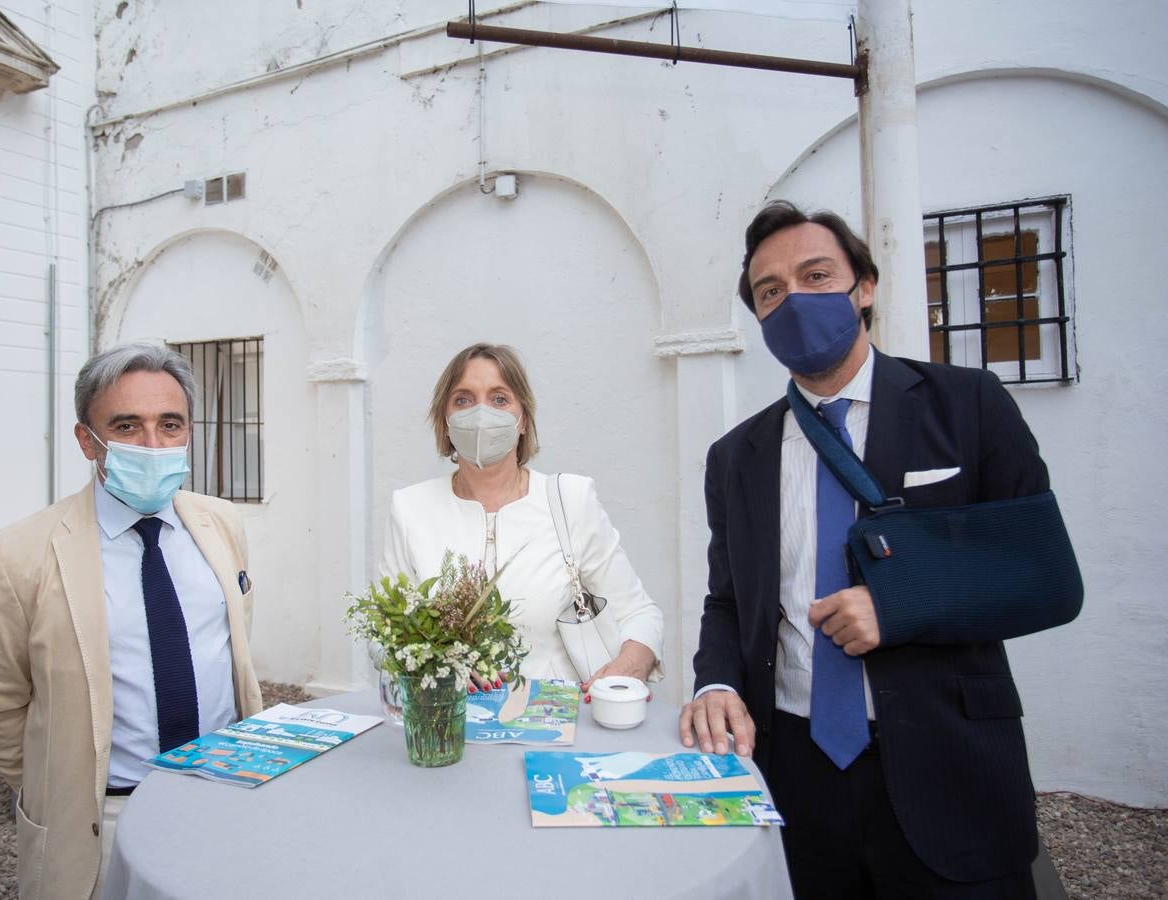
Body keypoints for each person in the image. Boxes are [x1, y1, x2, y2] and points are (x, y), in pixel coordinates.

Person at [679, 202, 1065, 898]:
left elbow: (1045, 575)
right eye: (771, 292)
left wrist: (899, 602)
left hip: (949, 761)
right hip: (796, 766)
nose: (793, 299)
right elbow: (729, 600)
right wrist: (716, 683)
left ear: (865, 287)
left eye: (816, 274)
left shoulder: (967, 404)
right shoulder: (735, 456)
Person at [0, 344, 263, 900]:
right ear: (85, 439)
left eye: (170, 425)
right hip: (108, 819)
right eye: (127, 425)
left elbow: (228, 647)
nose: (152, 444)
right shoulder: (13, 557)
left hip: (225, 794)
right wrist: (62, 786)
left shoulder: (221, 524)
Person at [380, 342, 664, 690]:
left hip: (554, 726)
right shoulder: (411, 508)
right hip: (447, 727)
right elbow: (382, 634)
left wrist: (628, 667)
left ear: (523, 421)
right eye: (463, 399)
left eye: (499, 399)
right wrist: (434, 663)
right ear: (445, 420)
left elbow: (638, 613)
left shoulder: (569, 500)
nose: (481, 413)